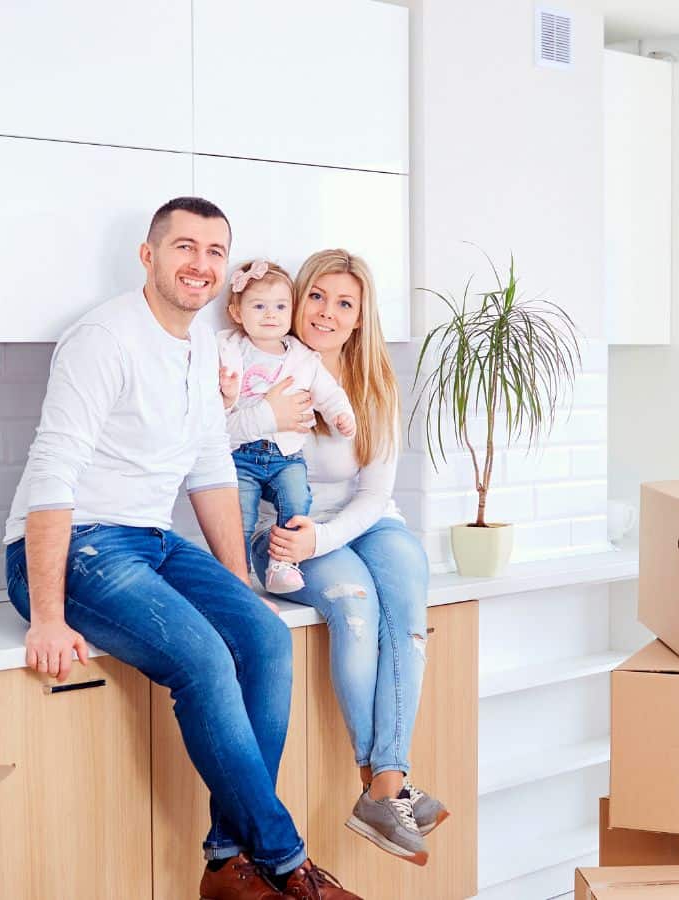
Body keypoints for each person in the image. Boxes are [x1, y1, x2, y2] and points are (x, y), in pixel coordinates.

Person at [4, 199, 359, 900]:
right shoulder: (103, 338)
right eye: (184, 248)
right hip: (74, 546)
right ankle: (286, 866)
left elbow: (207, 463)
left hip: (151, 541)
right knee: (202, 660)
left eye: (214, 251)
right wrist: (47, 615)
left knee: (263, 636)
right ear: (149, 255)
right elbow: (53, 472)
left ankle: (227, 860)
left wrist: (235, 582)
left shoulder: (201, 344)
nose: (200, 264)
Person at [243, 249, 445, 867]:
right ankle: (388, 787)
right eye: (317, 297)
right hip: (282, 534)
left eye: (345, 303)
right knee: (354, 606)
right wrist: (304, 540)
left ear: (361, 319)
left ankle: (384, 784)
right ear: (296, 297)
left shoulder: (376, 382)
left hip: (360, 525)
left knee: (407, 602)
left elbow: (375, 495)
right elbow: (208, 449)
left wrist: (323, 541)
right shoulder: (258, 368)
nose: (327, 313)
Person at [219, 257, 356, 594]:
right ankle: (236, 576)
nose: (270, 314)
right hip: (240, 456)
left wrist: (341, 414)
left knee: (296, 499)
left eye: (280, 306)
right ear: (237, 313)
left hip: (286, 455)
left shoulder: (302, 357)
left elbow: (328, 392)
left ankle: (283, 563)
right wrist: (223, 395)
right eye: (259, 306)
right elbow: (212, 416)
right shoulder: (228, 350)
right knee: (239, 516)